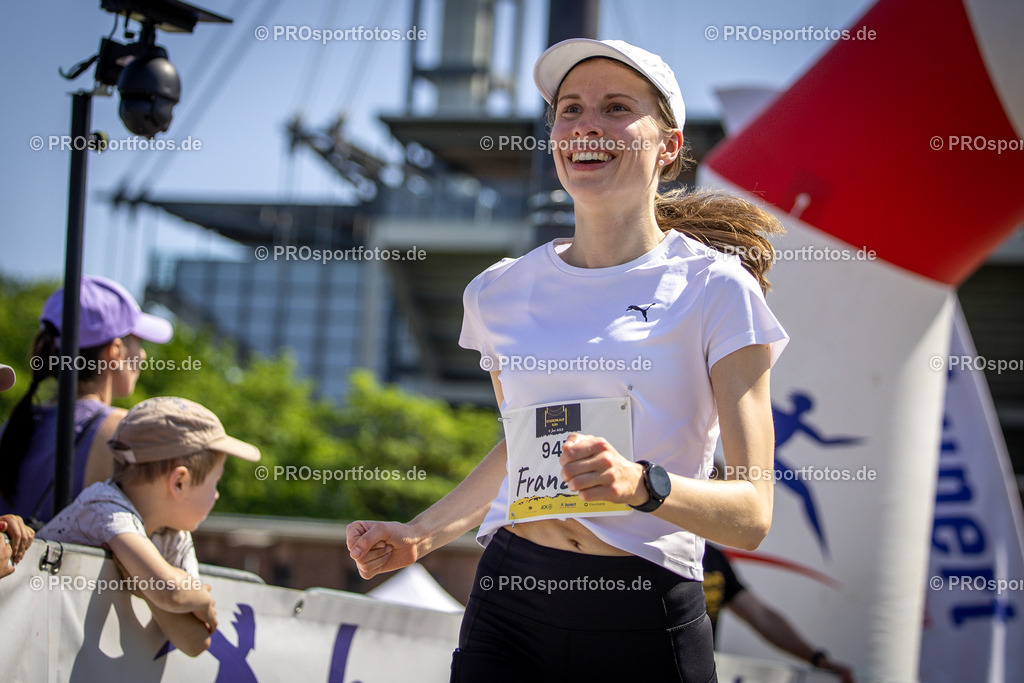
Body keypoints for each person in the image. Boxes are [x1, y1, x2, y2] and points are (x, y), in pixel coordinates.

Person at [348, 38, 788, 681]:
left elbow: (752, 514)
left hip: (644, 609)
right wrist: (419, 535)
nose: (586, 125)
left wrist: (640, 485)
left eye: (616, 108)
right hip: (509, 600)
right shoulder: (497, 292)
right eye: (569, 109)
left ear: (668, 145)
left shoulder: (716, 288)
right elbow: (520, 450)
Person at [38, 396, 261, 656]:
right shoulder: (103, 506)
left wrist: (145, 586)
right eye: (216, 482)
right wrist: (186, 594)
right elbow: (172, 592)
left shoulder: (174, 535)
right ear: (179, 482)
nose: (217, 495)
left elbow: (196, 642)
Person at [0, 276, 172, 526]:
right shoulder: (122, 432)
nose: (143, 355)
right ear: (116, 351)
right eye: (138, 341)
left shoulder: (14, 426)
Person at [703, 543, 855, 682]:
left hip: (702, 674)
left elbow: (762, 616)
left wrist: (816, 658)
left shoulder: (713, 557)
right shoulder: (679, 556)